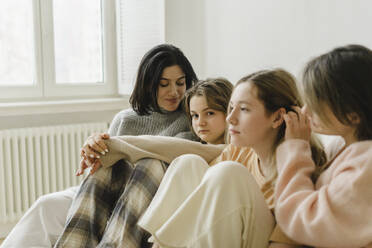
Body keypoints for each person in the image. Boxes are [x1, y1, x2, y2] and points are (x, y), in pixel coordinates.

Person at [91, 69, 326, 248]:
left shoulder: (301, 162)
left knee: (228, 172)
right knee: (189, 162)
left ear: (278, 118)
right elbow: (200, 191)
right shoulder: (239, 151)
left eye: (243, 109)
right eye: (231, 108)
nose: (231, 119)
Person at [1, 44, 198, 248]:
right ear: (148, 84)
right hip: (110, 191)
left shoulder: (191, 117)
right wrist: (95, 148)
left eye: (180, 83)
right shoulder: (125, 119)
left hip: (149, 196)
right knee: (47, 204)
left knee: (150, 162)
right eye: (164, 84)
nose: (174, 92)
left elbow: (179, 155)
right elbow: (103, 169)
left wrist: (123, 147)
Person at [54, 78, 233, 247]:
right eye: (194, 115)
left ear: (229, 113)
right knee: (108, 168)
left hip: (171, 220)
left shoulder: (230, 150)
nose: (200, 122)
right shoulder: (193, 142)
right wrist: (101, 147)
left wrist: (114, 144)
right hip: (148, 205)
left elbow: (165, 147)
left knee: (151, 164)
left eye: (210, 113)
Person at [274, 44, 372, 248]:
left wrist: (295, 148)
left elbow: (306, 221)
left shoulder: (366, 164)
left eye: (316, 103)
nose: (305, 110)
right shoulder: (344, 146)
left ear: (353, 113)